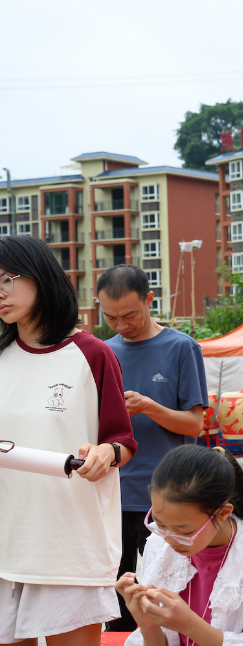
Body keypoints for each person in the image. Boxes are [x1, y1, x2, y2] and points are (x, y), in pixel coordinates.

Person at [0, 235, 137, 644]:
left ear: (40, 276)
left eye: (6, 279)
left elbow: (122, 440)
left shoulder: (92, 353)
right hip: (6, 538)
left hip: (67, 542)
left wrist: (105, 453)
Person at [97, 265, 209, 633]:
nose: (121, 325)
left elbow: (194, 424)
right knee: (116, 593)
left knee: (173, 588)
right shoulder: (103, 352)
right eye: (110, 317)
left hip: (166, 494)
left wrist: (147, 406)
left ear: (150, 299)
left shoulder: (181, 347)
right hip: (112, 492)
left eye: (129, 314)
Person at [115, 445, 243, 645]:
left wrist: (190, 625)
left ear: (223, 513)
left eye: (185, 532)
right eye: (160, 524)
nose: (170, 540)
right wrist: (148, 625)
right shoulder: (159, 543)